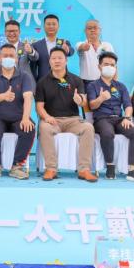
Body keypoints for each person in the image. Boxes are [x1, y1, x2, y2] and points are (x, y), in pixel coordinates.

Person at [35, 47, 98, 182]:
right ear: (49, 61)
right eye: (54, 58)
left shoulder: (76, 80)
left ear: (66, 61)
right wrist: (47, 117)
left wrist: (79, 100)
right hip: (52, 120)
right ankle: (51, 169)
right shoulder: (42, 82)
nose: (57, 61)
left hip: (73, 120)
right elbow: (39, 107)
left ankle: (84, 170)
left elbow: (83, 101)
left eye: (60, 58)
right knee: (44, 127)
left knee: (88, 128)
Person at [86, 51, 134, 182]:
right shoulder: (93, 85)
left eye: (112, 65)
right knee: (108, 133)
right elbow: (92, 106)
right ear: (99, 66)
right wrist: (101, 98)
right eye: (106, 64)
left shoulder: (121, 86)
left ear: (115, 68)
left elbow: (128, 105)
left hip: (119, 119)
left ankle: (133, 170)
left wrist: (127, 118)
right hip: (102, 119)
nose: (109, 67)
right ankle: (110, 166)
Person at [0, 43, 36, 180]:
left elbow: (28, 97)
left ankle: (17, 166)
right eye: (5, 55)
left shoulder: (24, 76)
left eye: (11, 55)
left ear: (16, 58)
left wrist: (25, 118)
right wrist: (3, 96)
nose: (8, 58)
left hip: (18, 116)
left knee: (28, 127)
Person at [31, 14, 74, 81]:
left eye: (54, 24)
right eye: (48, 24)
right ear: (44, 26)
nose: (51, 26)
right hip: (43, 81)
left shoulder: (64, 42)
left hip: (62, 81)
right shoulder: (36, 45)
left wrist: (67, 50)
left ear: (58, 26)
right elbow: (33, 68)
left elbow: (71, 51)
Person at [76, 19, 114, 87]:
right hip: (86, 83)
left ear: (100, 30)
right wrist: (85, 46)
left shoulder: (108, 46)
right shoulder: (79, 44)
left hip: (105, 81)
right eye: (89, 28)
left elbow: (114, 65)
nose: (92, 30)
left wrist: (115, 82)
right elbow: (81, 47)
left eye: (95, 28)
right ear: (85, 31)